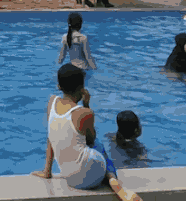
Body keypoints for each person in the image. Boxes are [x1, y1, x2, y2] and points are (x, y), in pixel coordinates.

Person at [33, 64, 143, 201]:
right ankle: (112, 179)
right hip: (91, 178)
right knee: (99, 144)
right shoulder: (84, 113)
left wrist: (47, 171)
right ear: (82, 88)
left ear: (59, 86)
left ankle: (110, 178)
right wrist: (86, 105)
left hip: (69, 177)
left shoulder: (52, 102)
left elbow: (51, 137)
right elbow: (90, 140)